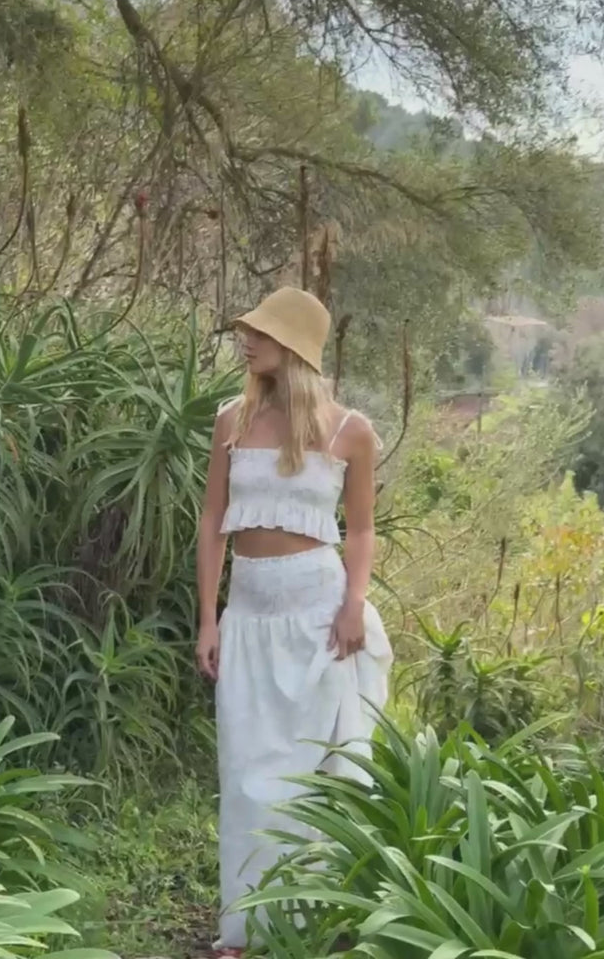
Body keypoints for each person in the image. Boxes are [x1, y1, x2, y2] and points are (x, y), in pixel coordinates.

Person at [196, 286, 393, 957]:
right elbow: (212, 523)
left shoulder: (349, 431)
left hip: (318, 614)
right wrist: (208, 620)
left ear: (293, 347)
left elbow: (361, 530)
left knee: (316, 771)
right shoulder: (230, 420)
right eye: (247, 331)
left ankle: (311, 923)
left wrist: (353, 605)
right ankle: (245, 929)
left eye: (260, 333)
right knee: (246, 773)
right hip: (248, 614)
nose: (245, 341)